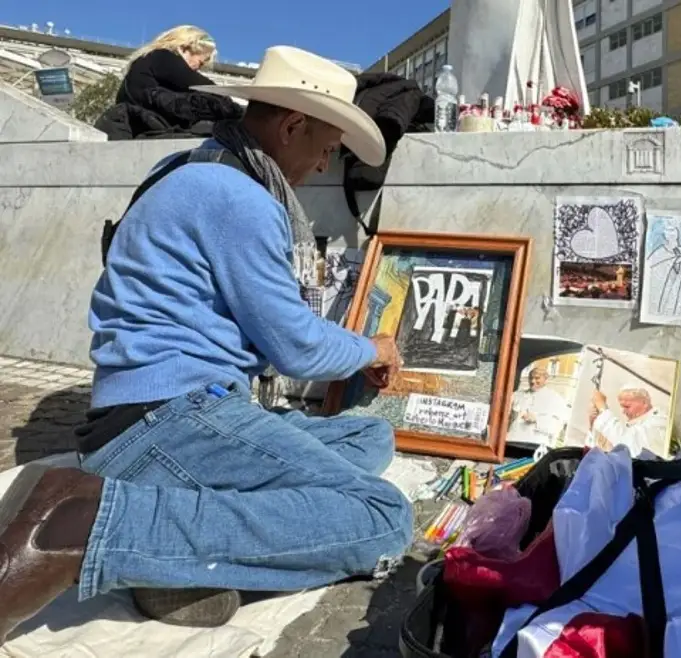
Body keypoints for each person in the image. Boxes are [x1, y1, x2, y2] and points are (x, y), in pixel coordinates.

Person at [0, 46, 411, 644]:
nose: (325, 163)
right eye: (326, 146)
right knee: (382, 516)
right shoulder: (237, 196)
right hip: (168, 417)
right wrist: (372, 348)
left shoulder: (184, 166)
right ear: (292, 126)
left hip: (163, 410)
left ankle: (173, 551)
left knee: (369, 436)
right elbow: (295, 347)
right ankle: (93, 527)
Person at [96, 25, 242, 139]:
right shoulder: (162, 57)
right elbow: (206, 88)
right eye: (200, 62)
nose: (197, 69)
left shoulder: (146, 63)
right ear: (184, 48)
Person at [588, 386, 669, 457]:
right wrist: (593, 424)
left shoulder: (659, 421)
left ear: (644, 403)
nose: (623, 412)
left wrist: (602, 407)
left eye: (627, 406)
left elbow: (627, 444)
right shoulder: (634, 424)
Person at [508, 367, 570, 447]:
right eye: (530, 378)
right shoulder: (517, 395)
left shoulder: (555, 398)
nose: (532, 381)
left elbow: (558, 425)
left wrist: (536, 419)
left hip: (535, 444)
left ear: (545, 379)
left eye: (537, 378)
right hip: (512, 441)